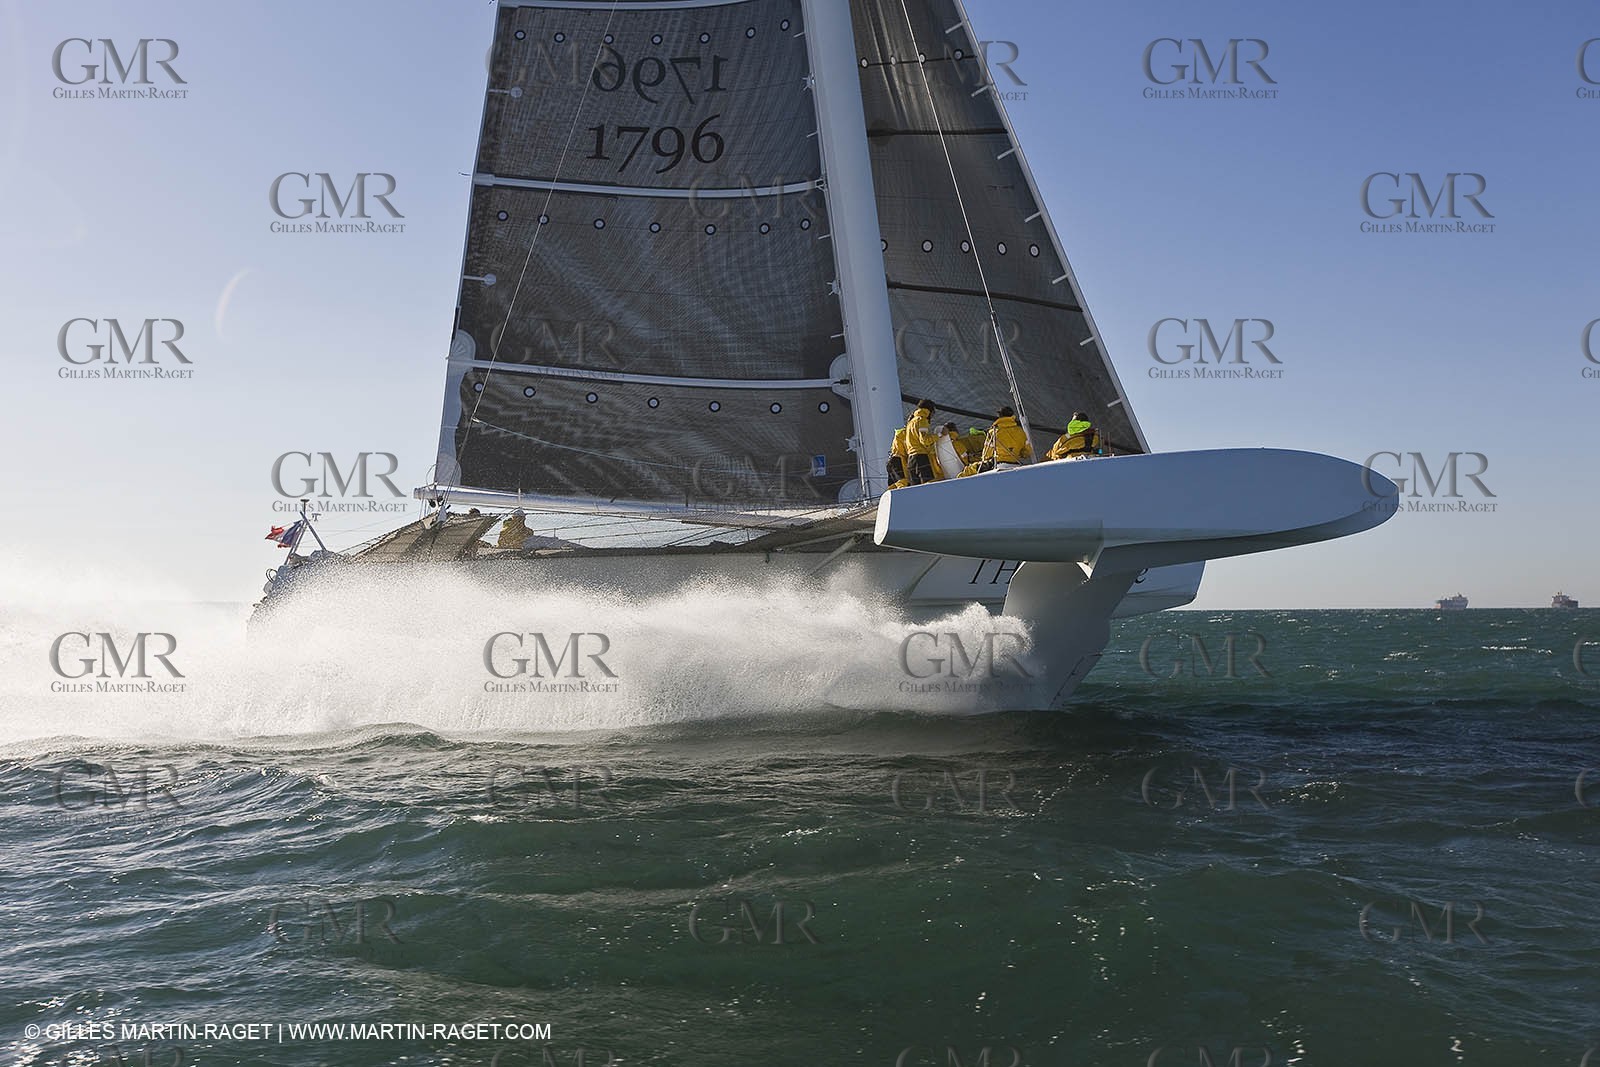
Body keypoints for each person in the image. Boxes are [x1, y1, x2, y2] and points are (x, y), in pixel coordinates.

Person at [960, 406, 1033, 476]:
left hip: (999, 464)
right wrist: (1018, 454)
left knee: (970, 469)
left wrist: (986, 462)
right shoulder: (1020, 431)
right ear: (1012, 416)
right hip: (1016, 463)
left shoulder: (993, 431)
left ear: (999, 416)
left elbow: (986, 454)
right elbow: (1027, 452)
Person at [903, 399, 940, 485]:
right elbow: (924, 440)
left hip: (911, 460)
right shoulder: (922, 420)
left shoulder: (911, 422)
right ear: (930, 410)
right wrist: (939, 435)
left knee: (916, 488)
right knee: (928, 485)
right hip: (920, 458)